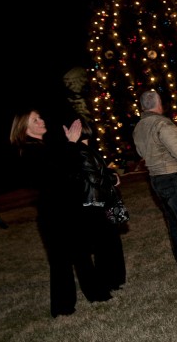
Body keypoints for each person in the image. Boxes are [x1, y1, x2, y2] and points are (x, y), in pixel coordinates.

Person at [10, 109, 90, 317]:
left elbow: (68, 168)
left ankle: (93, 292)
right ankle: (63, 306)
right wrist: (72, 143)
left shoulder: (41, 146)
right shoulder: (29, 151)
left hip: (64, 209)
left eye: (39, 117)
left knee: (79, 253)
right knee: (61, 261)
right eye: (34, 120)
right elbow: (59, 175)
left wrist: (70, 144)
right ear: (24, 129)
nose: (41, 121)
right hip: (54, 214)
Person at [132, 90, 177, 268]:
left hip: (155, 178)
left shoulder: (139, 127)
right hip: (172, 176)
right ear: (158, 103)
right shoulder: (162, 124)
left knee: (174, 219)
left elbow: (140, 152)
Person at [70, 118, 127, 292]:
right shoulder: (82, 151)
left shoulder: (86, 150)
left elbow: (98, 171)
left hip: (98, 202)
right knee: (105, 244)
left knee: (109, 242)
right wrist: (112, 178)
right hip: (95, 203)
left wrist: (111, 174)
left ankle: (114, 279)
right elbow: (93, 177)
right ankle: (110, 279)